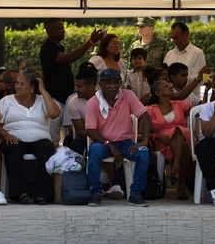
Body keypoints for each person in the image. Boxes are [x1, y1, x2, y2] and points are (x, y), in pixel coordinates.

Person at [84, 68, 152, 206]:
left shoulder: (128, 95)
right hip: (103, 143)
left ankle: (135, 193)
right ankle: (96, 193)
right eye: (108, 83)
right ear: (100, 84)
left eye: (116, 82)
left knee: (143, 152)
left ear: (120, 83)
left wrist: (144, 140)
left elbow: (145, 116)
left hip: (125, 142)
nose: (112, 86)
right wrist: (110, 145)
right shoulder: (92, 102)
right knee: (94, 152)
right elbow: (90, 131)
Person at [0, 69, 62, 205]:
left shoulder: (42, 100)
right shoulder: (6, 101)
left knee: (47, 148)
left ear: (33, 88)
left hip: (40, 138)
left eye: (22, 84)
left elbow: (54, 114)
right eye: (17, 83)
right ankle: (20, 193)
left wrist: (43, 91)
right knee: (11, 149)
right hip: (13, 137)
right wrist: (5, 134)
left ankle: (42, 195)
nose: (18, 86)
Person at [145, 77, 193, 199]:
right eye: (166, 85)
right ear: (158, 93)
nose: (170, 86)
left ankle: (175, 166)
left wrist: (211, 91)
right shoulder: (150, 110)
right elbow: (142, 133)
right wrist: (158, 136)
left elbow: (199, 111)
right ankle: (181, 184)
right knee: (185, 145)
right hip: (165, 141)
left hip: (185, 135)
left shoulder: (180, 104)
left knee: (178, 131)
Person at [39, 18, 106, 106]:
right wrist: (90, 41)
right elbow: (68, 58)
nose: (63, 31)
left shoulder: (59, 47)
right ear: (50, 31)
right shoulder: (48, 49)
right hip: (56, 99)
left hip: (65, 97)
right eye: (60, 28)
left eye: (63, 28)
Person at [163, 22, 206, 104]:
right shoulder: (169, 54)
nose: (175, 41)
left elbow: (201, 79)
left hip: (192, 101)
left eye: (177, 37)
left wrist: (181, 77)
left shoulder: (197, 53)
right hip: (170, 102)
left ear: (186, 34)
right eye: (172, 38)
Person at [62, 69, 97, 156]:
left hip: (109, 135)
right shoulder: (73, 103)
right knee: (75, 143)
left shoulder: (105, 99)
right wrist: (95, 135)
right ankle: (80, 169)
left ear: (91, 87)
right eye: (75, 86)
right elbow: (80, 131)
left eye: (79, 86)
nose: (75, 89)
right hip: (88, 135)